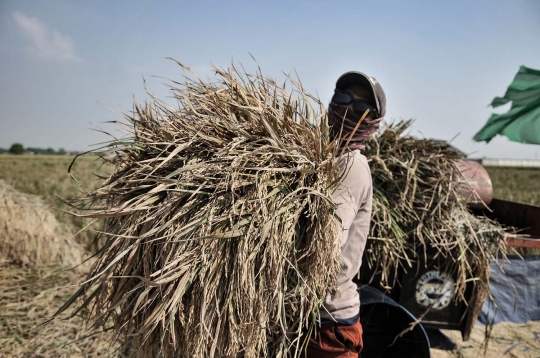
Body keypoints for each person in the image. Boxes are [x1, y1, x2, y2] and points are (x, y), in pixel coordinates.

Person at [305, 72, 386, 357]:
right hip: (315, 315)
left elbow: (325, 244)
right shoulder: (326, 159)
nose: (349, 108)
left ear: (373, 123)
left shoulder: (350, 166)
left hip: (328, 319)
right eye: (343, 98)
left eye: (363, 108)